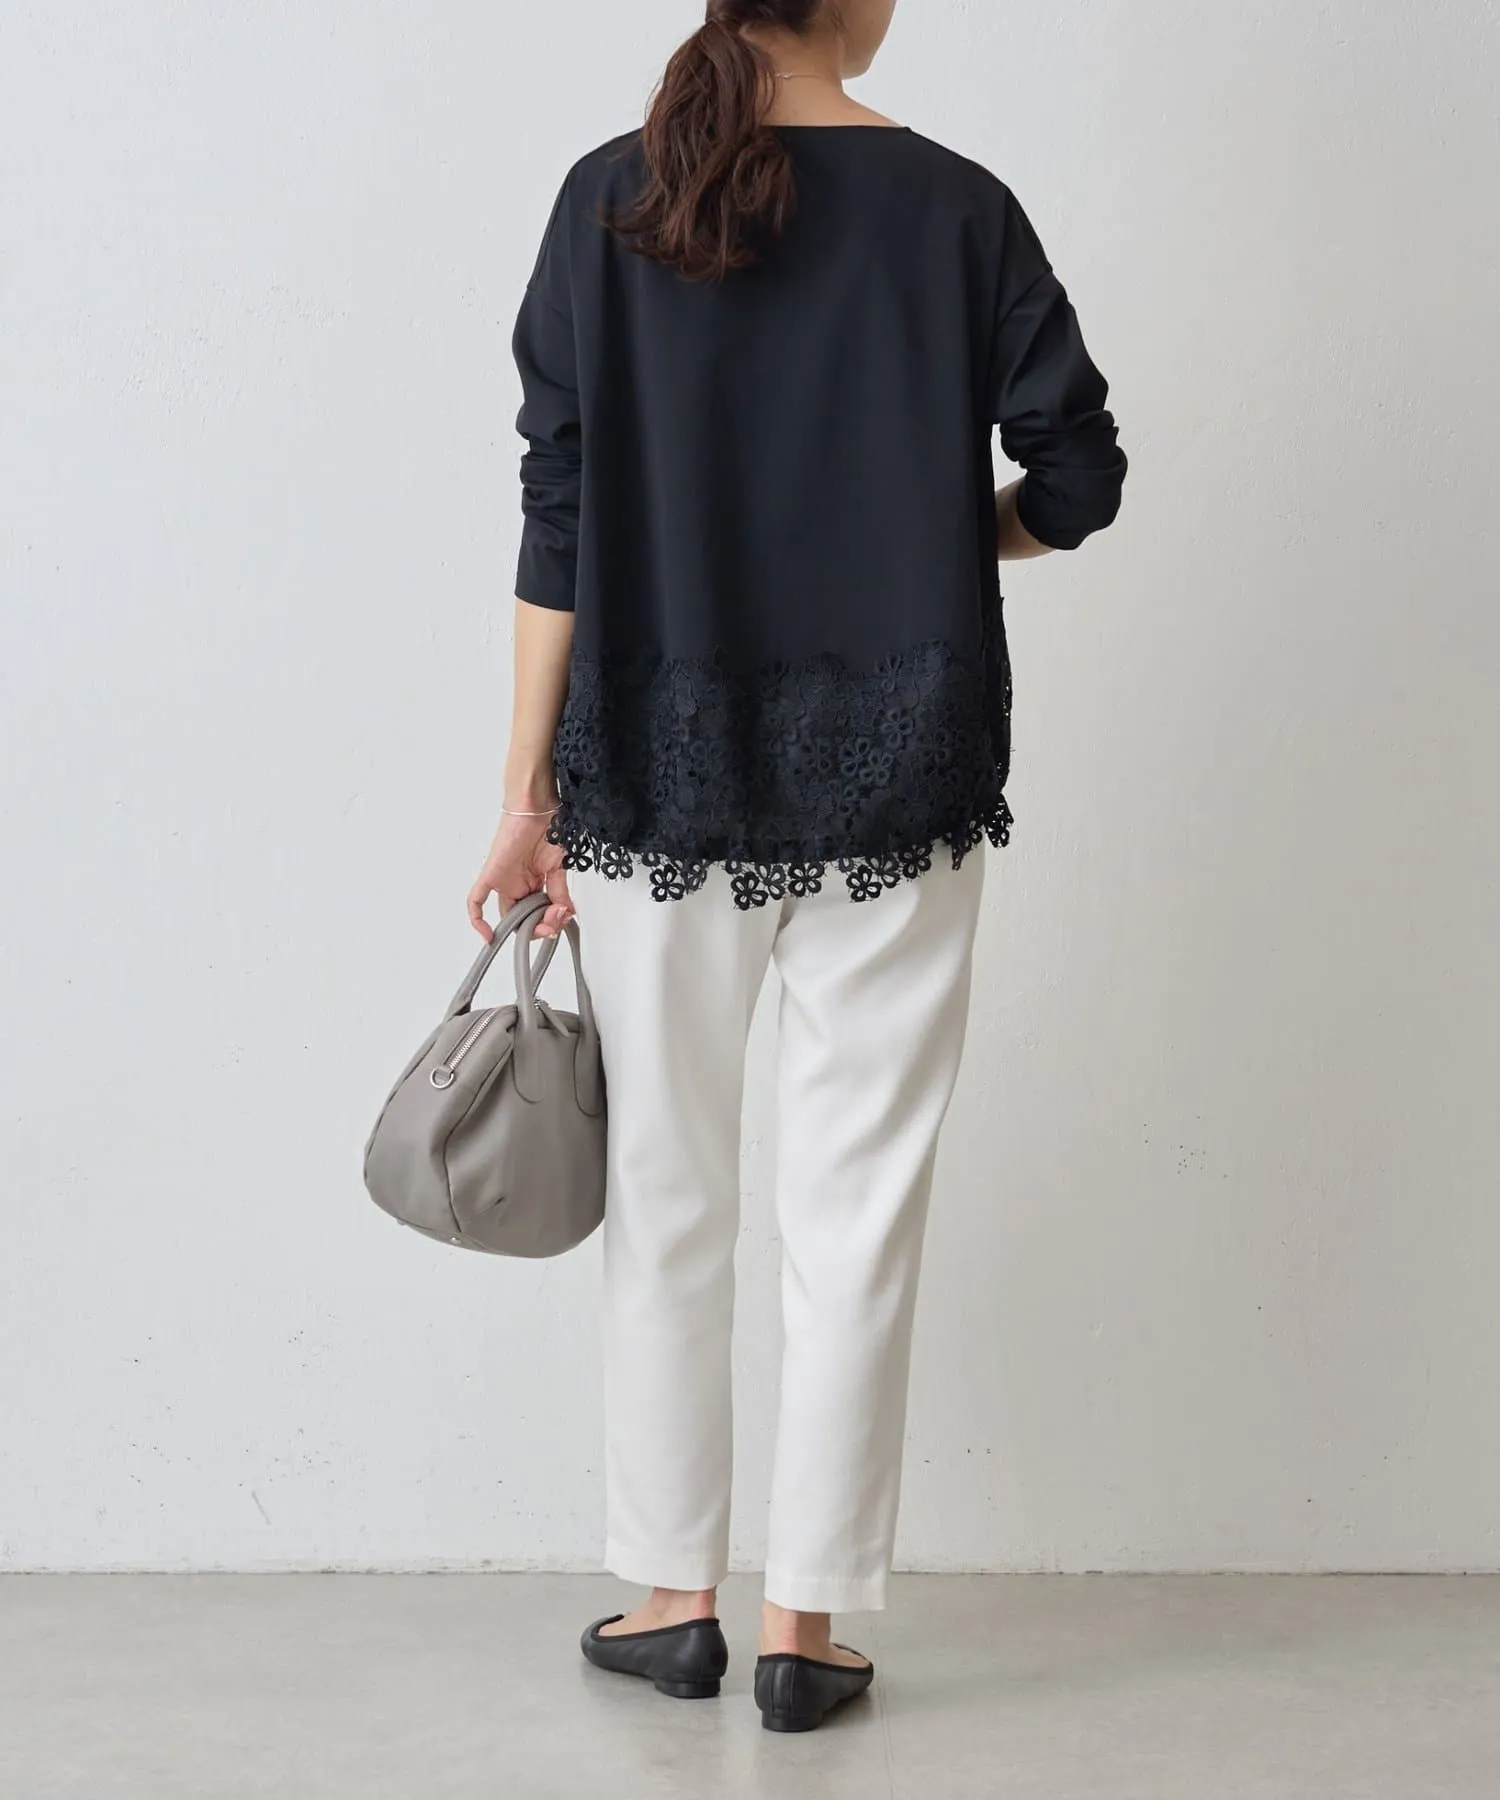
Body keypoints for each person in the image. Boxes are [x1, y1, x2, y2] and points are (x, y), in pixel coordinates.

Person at [467, 0, 1126, 1734]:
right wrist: (955, 537)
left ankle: (672, 1598)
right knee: (857, 1209)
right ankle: (804, 1627)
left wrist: (526, 791)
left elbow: (558, 509)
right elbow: (1079, 474)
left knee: (667, 1193)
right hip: (903, 763)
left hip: (656, 766)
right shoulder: (960, 208)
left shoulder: (608, 196)